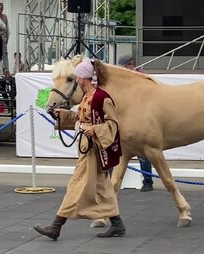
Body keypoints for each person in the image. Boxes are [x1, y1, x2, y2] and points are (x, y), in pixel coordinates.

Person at [34, 59, 126, 240]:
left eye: (78, 76)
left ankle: (56, 226)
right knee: (103, 187)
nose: (77, 78)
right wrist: (64, 115)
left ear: (84, 77)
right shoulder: (87, 97)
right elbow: (81, 118)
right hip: (86, 147)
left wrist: (96, 130)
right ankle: (117, 224)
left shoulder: (102, 97)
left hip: (93, 148)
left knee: (76, 185)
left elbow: (113, 123)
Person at [118, 54, 154, 192]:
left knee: (142, 153)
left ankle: (148, 181)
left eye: (128, 65)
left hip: (139, 120)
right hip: (125, 119)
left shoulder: (142, 78)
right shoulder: (121, 81)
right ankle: (113, 181)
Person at [0, 2, 10, 77]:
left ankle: (7, 70)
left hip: (2, 37)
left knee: (5, 54)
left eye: (1, 9)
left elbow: (7, 29)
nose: (0, 10)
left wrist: (7, 38)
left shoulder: (4, 17)